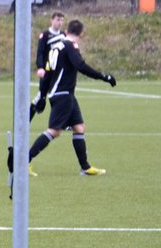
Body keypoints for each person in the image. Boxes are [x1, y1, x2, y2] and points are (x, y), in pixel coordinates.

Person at [27, 19, 116, 176]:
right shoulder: (70, 46)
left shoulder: (57, 46)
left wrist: (42, 95)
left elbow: (47, 73)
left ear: (66, 31)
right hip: (63, 95)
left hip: (65, 94)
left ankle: (85, 167)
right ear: (81, 34)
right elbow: (80, 65)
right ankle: (24, 162)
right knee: (54, 131)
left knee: (79, 128)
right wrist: (104, 77)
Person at [31, 11, 65, 120]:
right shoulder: (45, 35)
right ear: (52, 20)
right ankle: (26, 119)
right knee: (41, 96)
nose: (60, 22)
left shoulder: (63, 35)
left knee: (61, 96)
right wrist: (40, 67)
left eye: (61, 20)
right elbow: (40, 52)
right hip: (47, 70)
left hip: (59, 71)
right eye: (57, 20)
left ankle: (66, 122)